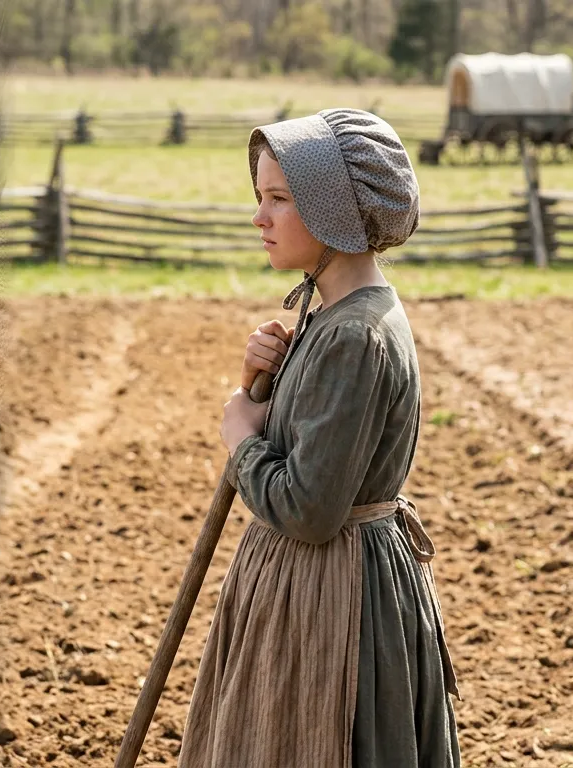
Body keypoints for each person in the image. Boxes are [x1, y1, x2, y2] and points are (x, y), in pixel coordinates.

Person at [179, 109, 461, 767]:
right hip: (309, 584)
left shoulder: (353, 336)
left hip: (331, 597)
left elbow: (310, 508)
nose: (260, 218)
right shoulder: (331, 315)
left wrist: (240, 435)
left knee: (320, 739)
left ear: (336, 209)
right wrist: (264, 382)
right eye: (261, 198)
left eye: (279, 199)